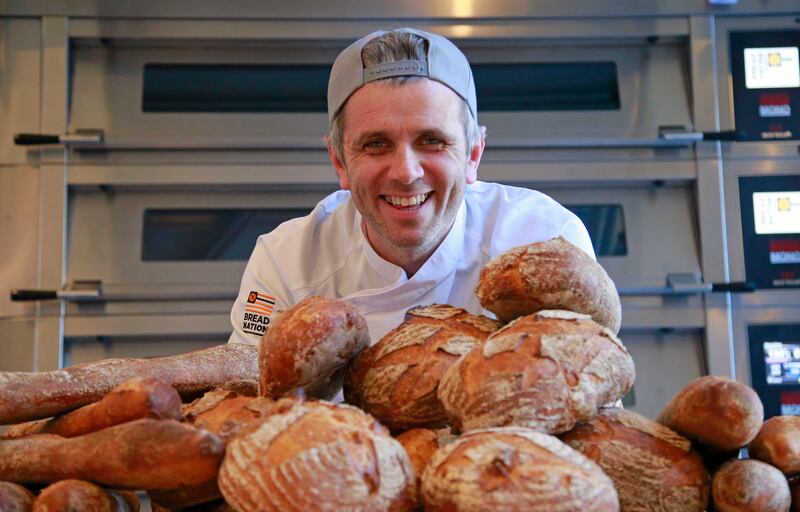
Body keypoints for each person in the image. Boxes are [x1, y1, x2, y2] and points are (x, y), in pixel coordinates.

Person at [228, 27, 594, 346]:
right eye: (376, 144)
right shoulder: (287, 264)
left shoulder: (544, 243)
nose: (405, 172)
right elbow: (253, 402)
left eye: (431, 140)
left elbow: (587, 406)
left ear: (473, 156)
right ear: (339, 162)